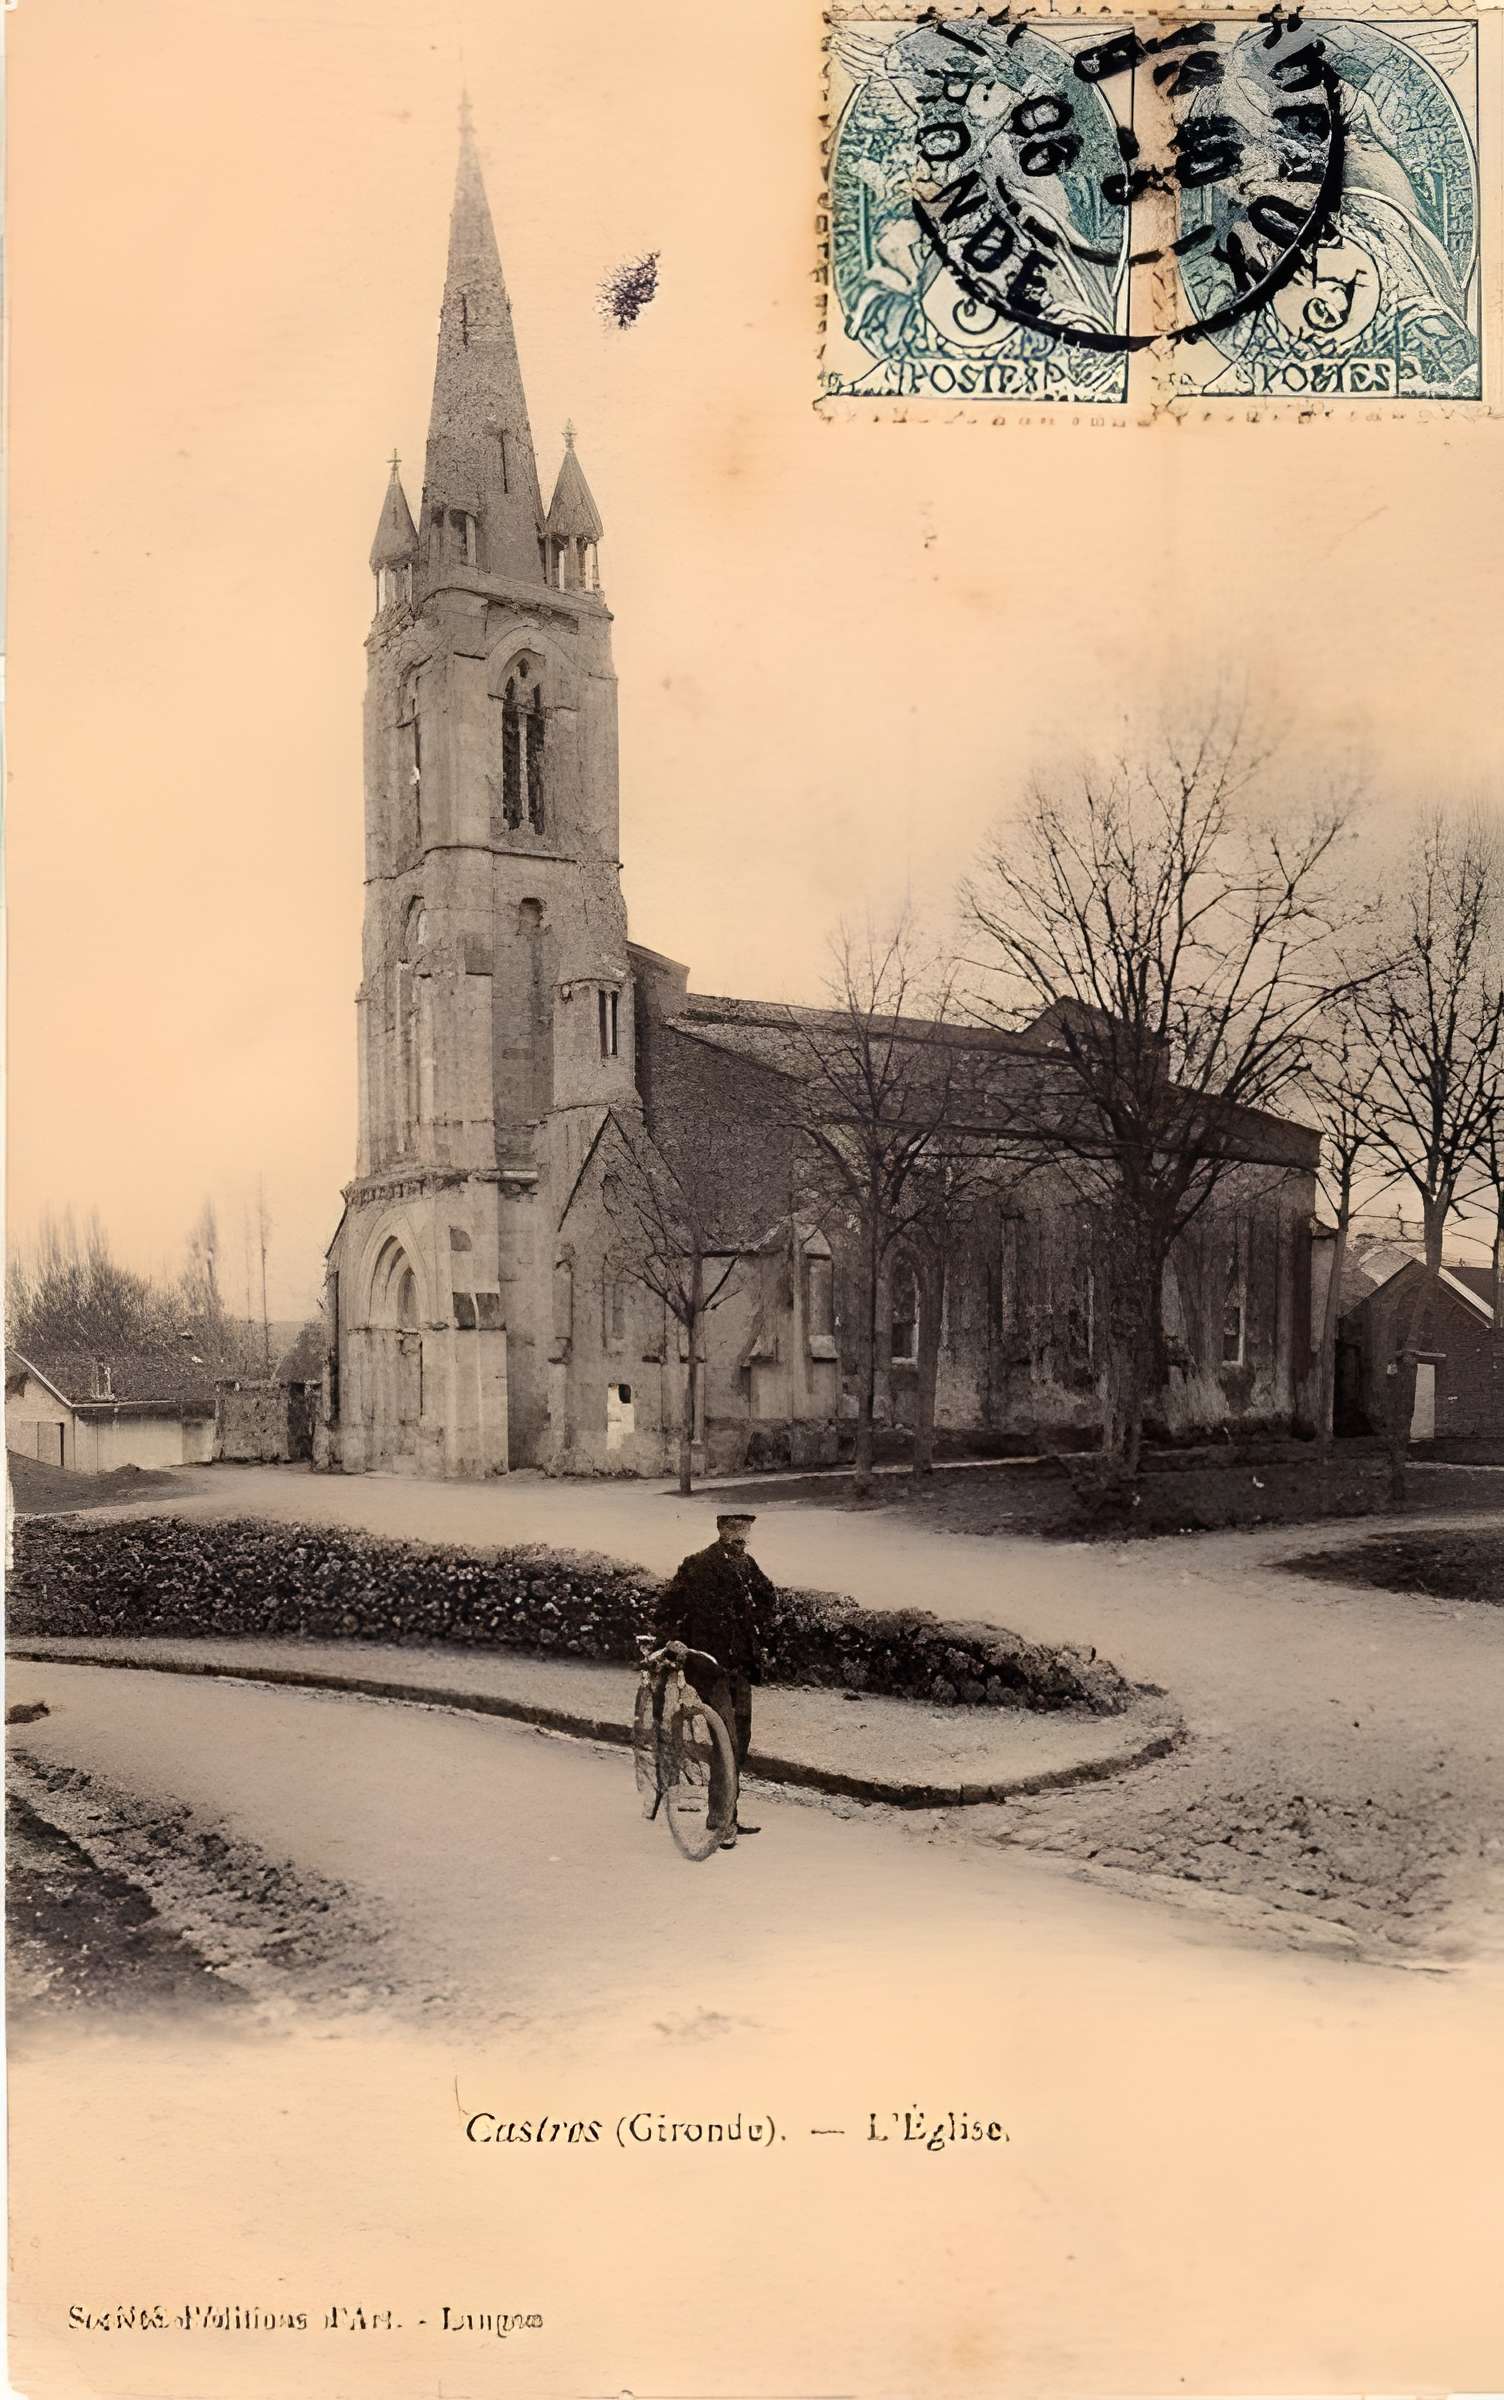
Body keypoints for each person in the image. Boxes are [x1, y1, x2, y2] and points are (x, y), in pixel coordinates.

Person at [655, 1512, 775, 1850]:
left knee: (742, 1742)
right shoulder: (698, 1565)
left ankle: (725, 1815)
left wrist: (756, 1625)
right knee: (727, 1743)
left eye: (746, 1532)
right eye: (736, 1531)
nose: (742, 1537)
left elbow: (769, 1596)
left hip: (741, 1668)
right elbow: (665, 1611)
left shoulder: (747, 1565)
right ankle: (723, 1823)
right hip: (710, 1668)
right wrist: (676, 1640)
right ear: (721, 1531)